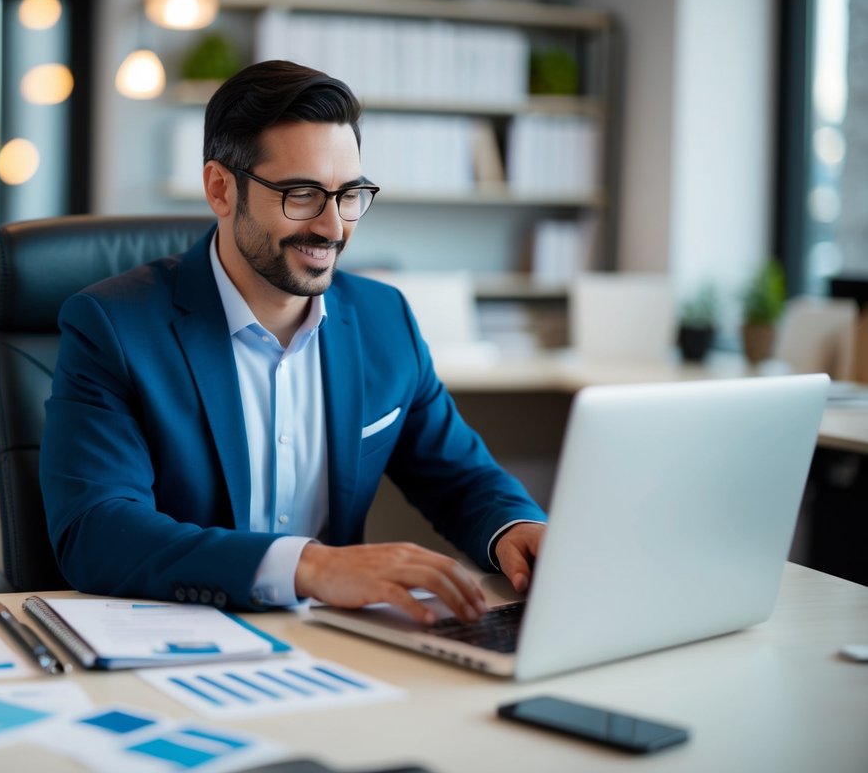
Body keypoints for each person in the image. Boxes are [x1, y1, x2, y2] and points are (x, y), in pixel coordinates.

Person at [40, 60, 546, 625]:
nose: (332, 227)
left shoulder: (385, 319)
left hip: (341, 647)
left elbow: (460, 475)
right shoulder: (113, 326)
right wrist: (307, 567)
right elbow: (96, 529)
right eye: (302, 194)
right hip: (177, 643)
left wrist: (515, 528)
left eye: (349, 194)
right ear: (220, 188)